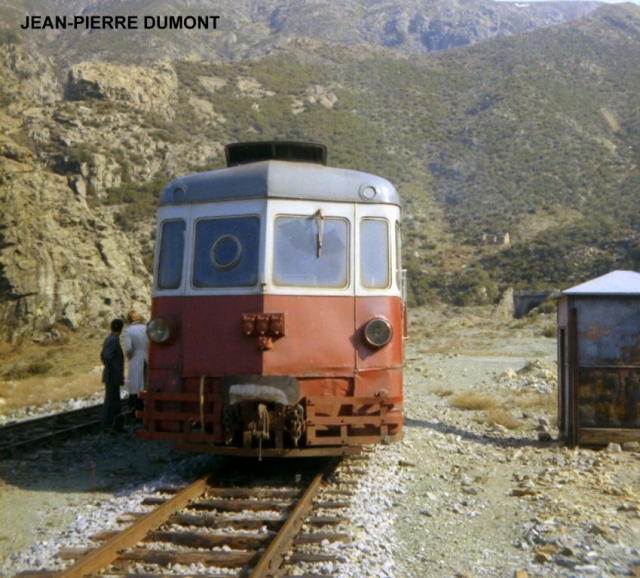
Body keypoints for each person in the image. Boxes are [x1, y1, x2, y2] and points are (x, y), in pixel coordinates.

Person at [101, 318, 125, 433]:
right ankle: (108, 425)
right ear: (121, 329)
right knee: (111, 401)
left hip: (111, 375)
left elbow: (103, 356)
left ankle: (116, 425)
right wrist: (116, 370)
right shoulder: (113, 340)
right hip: (112, 376)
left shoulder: (110, 339)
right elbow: (107, 356)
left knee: (114, 401)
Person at [124, 309, 149, 415]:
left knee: (135, 384)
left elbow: (128, 348)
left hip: (135, 359)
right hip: (147, 357)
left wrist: (129, 357)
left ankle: (135, 407)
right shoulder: (146, 328)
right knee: (145, 384)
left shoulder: (128, 331)